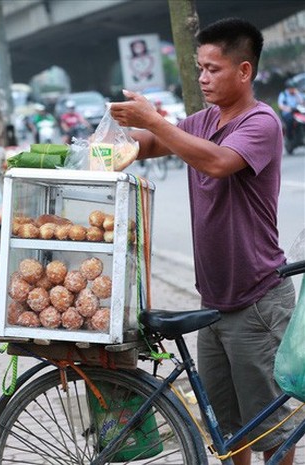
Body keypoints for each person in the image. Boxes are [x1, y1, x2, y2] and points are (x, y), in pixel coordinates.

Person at [110, 18, 295, 465]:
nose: (203, 78)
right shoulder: (204, 119)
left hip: (257, 299)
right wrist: (110, 136)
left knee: (271, 430)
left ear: (244, 71)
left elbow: (215, 162)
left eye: (213, 69)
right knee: (229, 429)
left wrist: (157, 120)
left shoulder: (261, 122)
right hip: (214, 300)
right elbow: (153, 144)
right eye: (199, 69)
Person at [278, 80, 304, 145]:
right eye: (292, 88)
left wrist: (297, 94)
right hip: (287, 113)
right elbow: (280, 106)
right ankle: (290, 137)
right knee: (290, 120)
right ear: (288, 88)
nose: (293, 89)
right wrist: (288, 109)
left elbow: (302, 102)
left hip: (297, 112)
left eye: (294, 88)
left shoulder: (296, 94)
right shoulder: (283, 94)